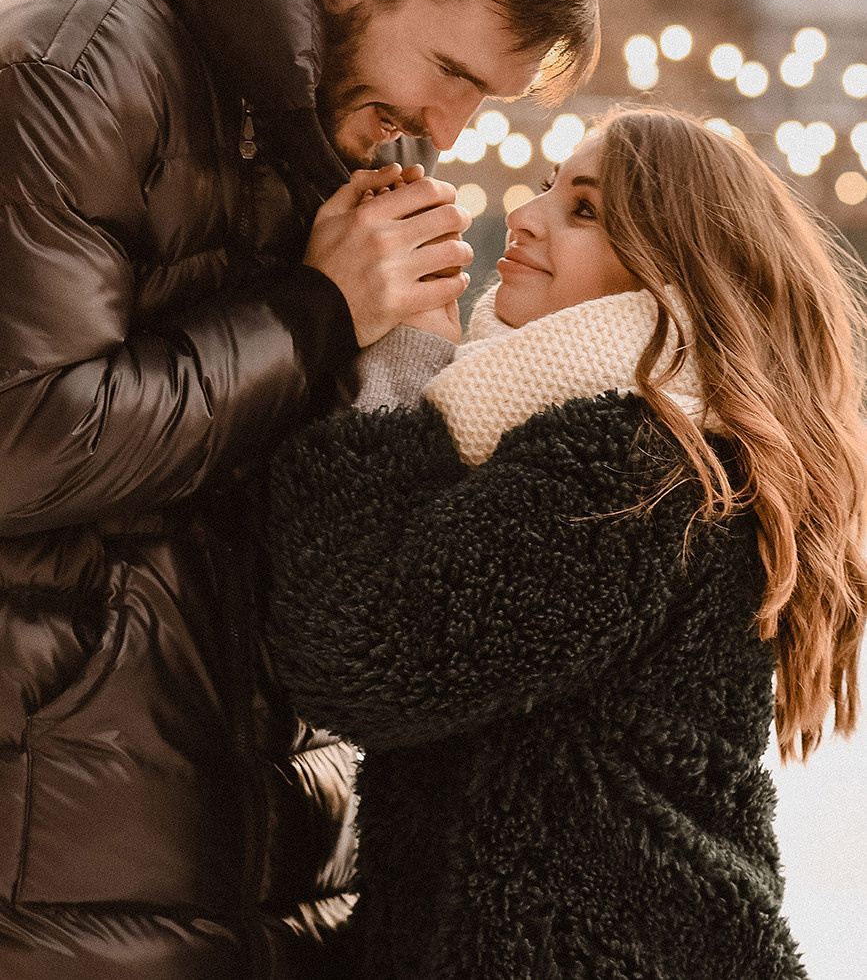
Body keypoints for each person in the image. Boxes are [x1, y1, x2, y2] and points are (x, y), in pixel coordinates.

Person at [0, 0, 599, 978]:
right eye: (447, 70)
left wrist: (405, 363)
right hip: (60, 878)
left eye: (481, 95)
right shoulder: (72, 64)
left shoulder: (339, 126)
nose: (448, 129)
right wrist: (317, 314)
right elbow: (23, 437)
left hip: (269, 864)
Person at [265, 106, 867, 980]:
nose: (524, 213)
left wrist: (395, 376)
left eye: (583, 209)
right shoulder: (635, 448)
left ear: (668, 269)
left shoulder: (630, 471)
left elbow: (366, 650)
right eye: (548, 187)